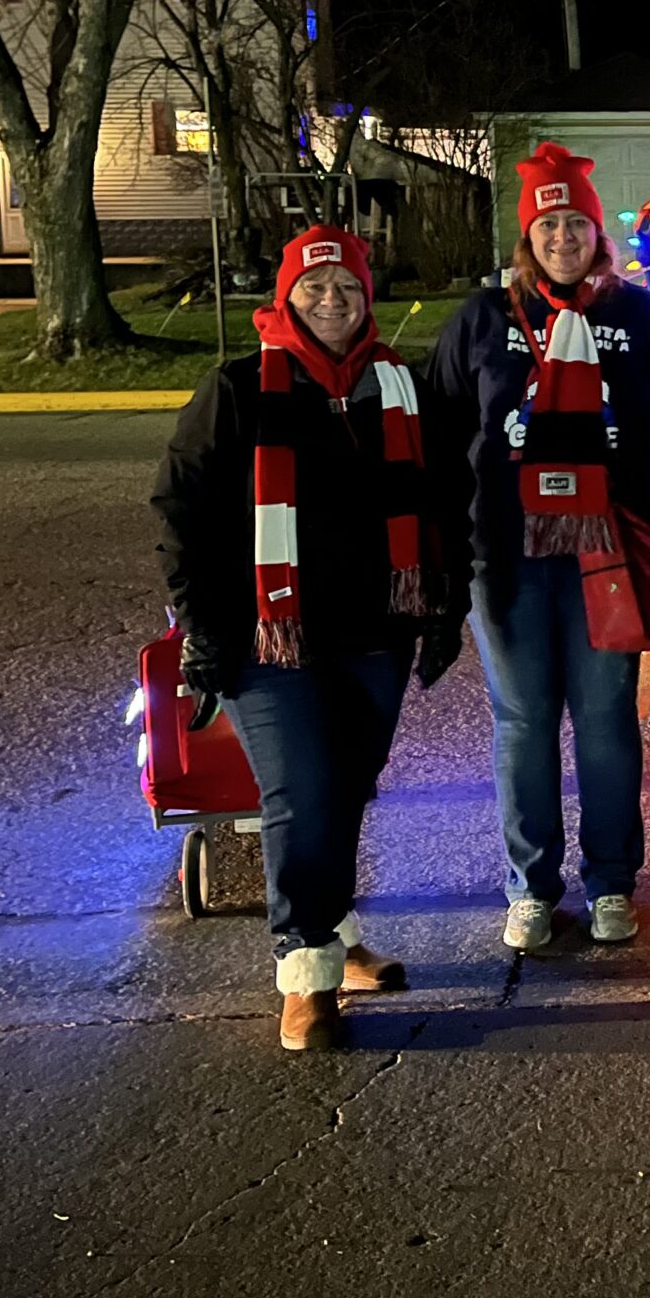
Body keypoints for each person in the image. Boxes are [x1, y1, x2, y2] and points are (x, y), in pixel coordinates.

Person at [150, 227, 453, 1051]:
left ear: (366, 298)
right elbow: (180, 511)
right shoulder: (240, 388)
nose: (330, 301)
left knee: (348, 790)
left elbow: (438, 504)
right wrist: (204, 631)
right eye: (313, 288)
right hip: (266, 641)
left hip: (374, 634)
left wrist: (441, 610)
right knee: (303, 794)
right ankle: (306, 970)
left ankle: (340, 932)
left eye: (345, 288)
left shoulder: (398, 389)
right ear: (286, 298)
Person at [424, 143, 650, 954]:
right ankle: (530, 887)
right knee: (523, 722)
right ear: (527, 236)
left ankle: (611, 884)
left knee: (604, 721)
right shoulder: (483, 321)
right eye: (548, 223)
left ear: (599, 234)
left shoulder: (637, 317)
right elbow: (441, 435)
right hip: (509, 555)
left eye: (577, 223)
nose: (563, 236)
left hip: (605, 556)